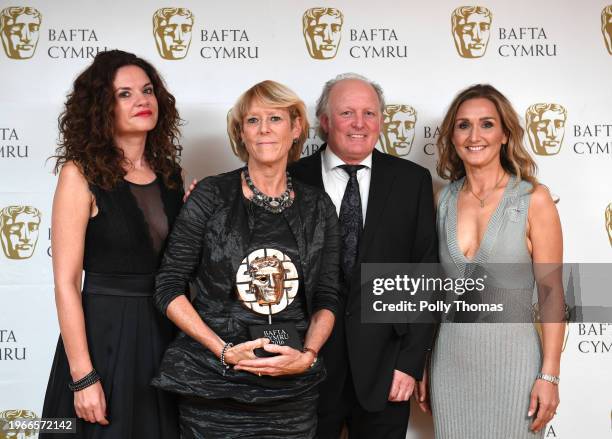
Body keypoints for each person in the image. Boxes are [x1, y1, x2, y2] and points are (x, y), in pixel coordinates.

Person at [152, 80, 341, 439]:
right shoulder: (211, 195)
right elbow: (169, 286)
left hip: (291, 390)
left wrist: (309, 354)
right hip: (213, 384)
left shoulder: (318, 207)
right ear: (241, 132)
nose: (265, 129)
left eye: (275, 118)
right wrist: (223, 351)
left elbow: (328, 296)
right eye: (253, 121)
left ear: (297, 127)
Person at [41, 50, 184, 439]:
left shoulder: (171, 176)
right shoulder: (79, 174)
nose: (142, 100)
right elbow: (67, 284)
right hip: (105, 339)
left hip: (166, 333)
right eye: (125, 94)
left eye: (148, 90)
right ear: (101, 107)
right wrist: (82, 376)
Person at [290, 73, 437, 439]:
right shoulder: (291, 178)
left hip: (386, 369)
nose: (360, 124)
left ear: (381, 121)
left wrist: (409, 362)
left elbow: (424, 272)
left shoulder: (411, 180)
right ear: (324, 121)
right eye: (347, 113)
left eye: (370, 113)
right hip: (304, 367)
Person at [416, 84, 565, 437]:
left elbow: (552, 293)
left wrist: (550, 375)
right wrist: (420, 360)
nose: (474, 135)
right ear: (452, 136)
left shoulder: (533, 198)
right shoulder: (442, 200)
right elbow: (433, 292)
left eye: (486, 124)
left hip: (516, 367)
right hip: (450, 364)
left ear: (504, 134)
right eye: (463, 125)